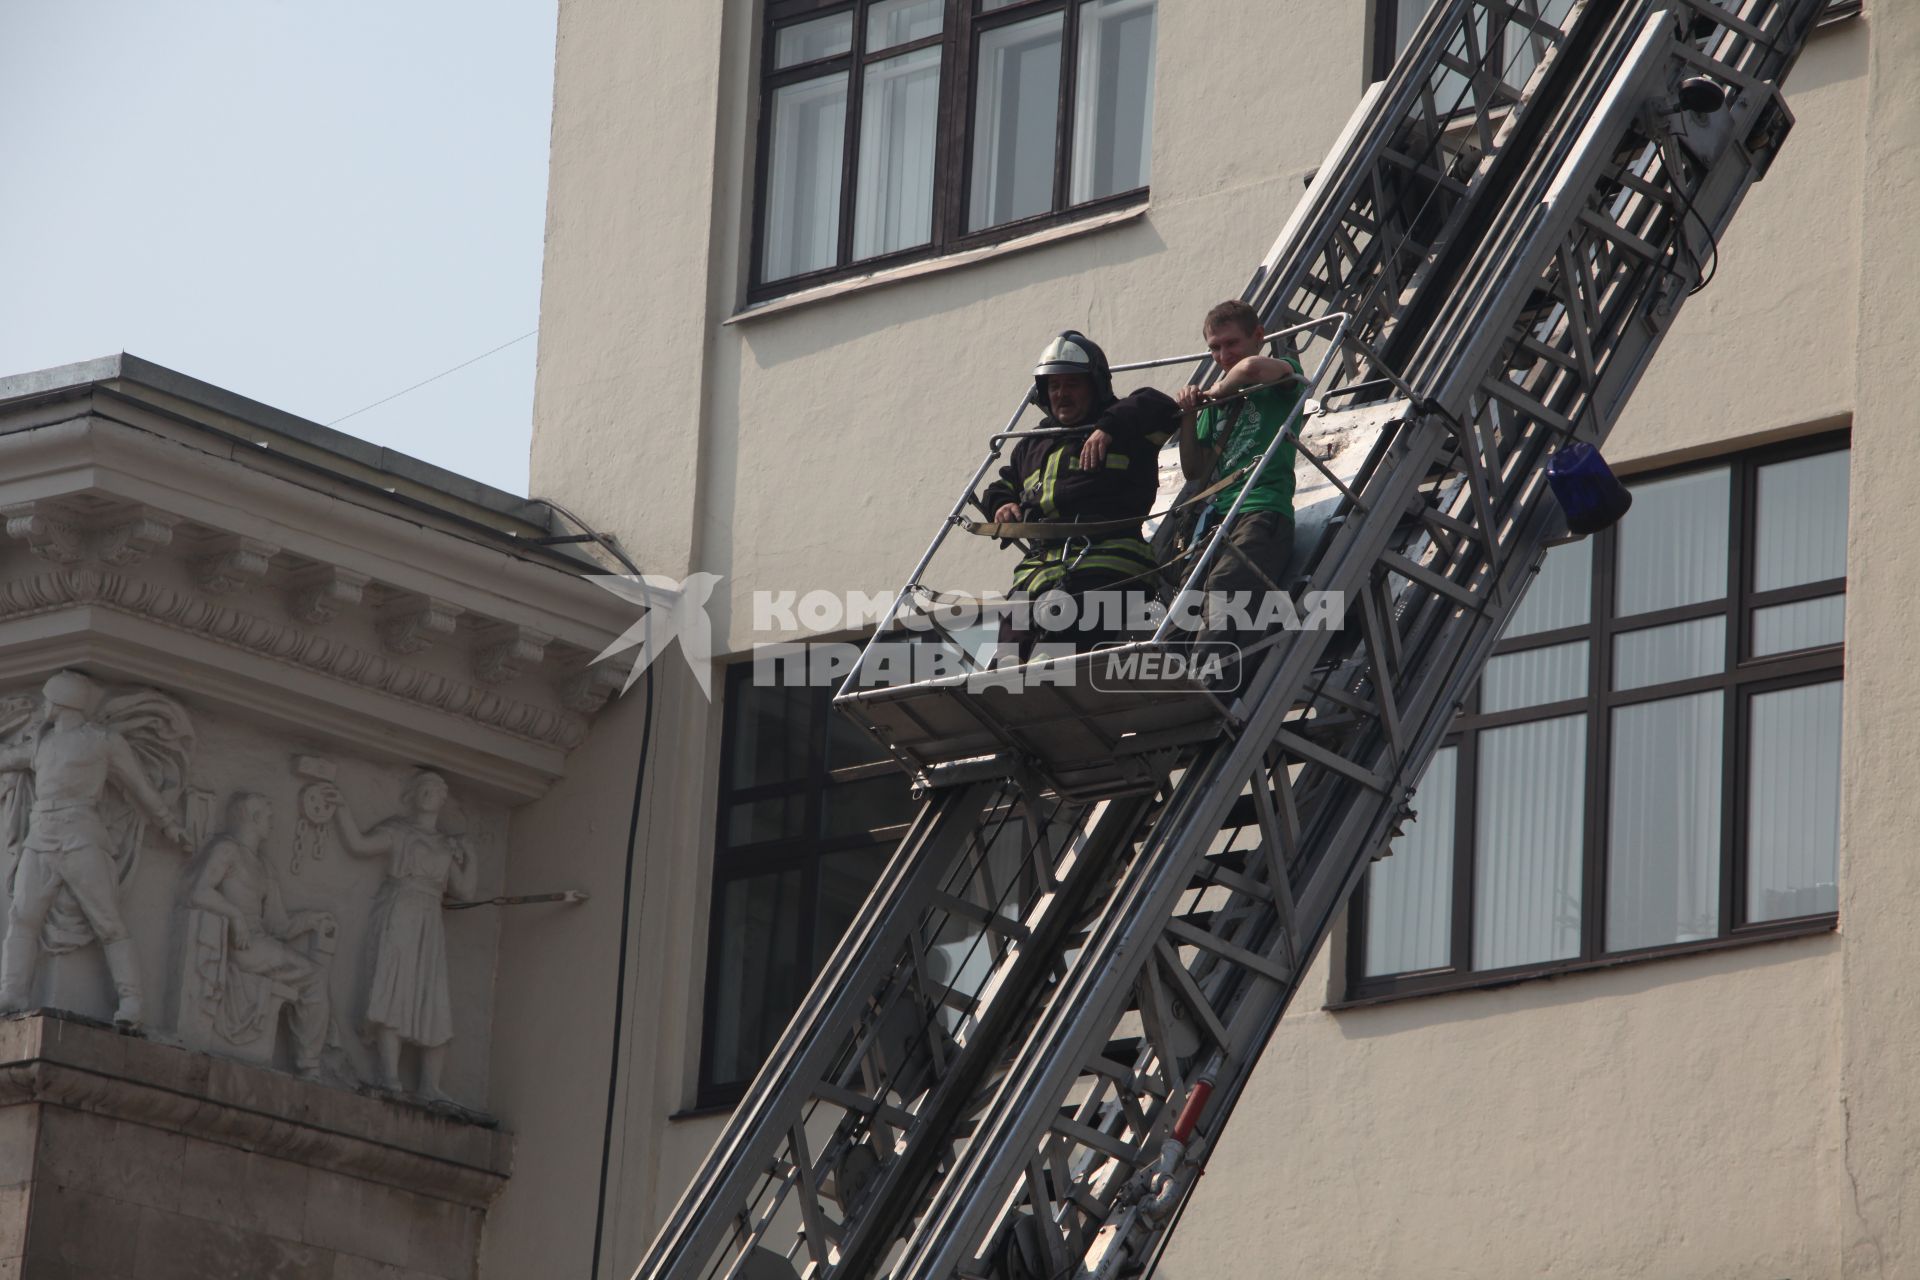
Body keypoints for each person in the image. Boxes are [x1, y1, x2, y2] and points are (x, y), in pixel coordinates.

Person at [0, 670, 191, 1028]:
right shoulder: (41, 742)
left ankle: (131, 1001)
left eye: (50, 701)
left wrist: (168, 823)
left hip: (82, 837)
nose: (45, 707)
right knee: (23, 917)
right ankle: (12, 993)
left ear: (64, 704)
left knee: (108, 922)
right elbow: (8, 758)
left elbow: (139, 786)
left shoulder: (102, 741)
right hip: (41, 838)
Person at [981, 331, 1178, 658]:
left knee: (1053, 657)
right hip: (1036, 575)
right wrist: (1002, 505)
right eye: (1054, 386)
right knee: (1003, 667)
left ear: (1096, 386)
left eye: (1072, 384)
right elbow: (1001, 485)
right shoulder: (1031, 443)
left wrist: (1108, 427)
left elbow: (1161, 404)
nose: (1062, 394)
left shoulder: (1127, 428)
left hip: (1108, 570)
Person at [1174, 300, 1307, 685]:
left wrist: (1215, 391)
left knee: (1224, 591)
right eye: (1214, 348)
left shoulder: (1280, 377)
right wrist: (1189, 415)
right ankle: (1173, 687)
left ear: (1259, 336)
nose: (1222, 355)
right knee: (1186, 602)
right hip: (1218, 519)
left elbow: (1251, 368)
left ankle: (1204, 689)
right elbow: (1195, 469)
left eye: (1230, 343)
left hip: (1262, 511)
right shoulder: (1215, 405)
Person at [322, 770, 477, 1102]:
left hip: (429, 918)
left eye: (436, 789)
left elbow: (465, 890)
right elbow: (358, 844)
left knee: (431, 994)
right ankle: (389, 1075)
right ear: (413, 795)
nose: (429, 792)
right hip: (400, 910)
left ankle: (429, 1086)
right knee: (395, 988)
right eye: (424, 787)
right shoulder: (398, 831)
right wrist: (340, 807)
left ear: (443, 798)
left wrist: (471, 855)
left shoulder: (445, 846)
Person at [185, 793, 337, 1077]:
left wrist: (311, 920)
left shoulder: (265, 867)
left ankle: (309, 1061)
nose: (272, 823)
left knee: (315, 976)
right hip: (240, 945)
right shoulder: (227, 850)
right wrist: (235, 915)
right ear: (252, 818)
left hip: (260, 944)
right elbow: (199, 891)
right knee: (314, 976)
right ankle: (309, 1064)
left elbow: (279, 926)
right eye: (267, 817)